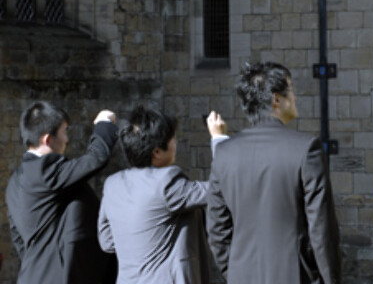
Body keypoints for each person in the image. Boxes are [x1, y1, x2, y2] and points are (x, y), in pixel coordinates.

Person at [206, 61, 341, 284]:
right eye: (292, 90)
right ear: (276, 99)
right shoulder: (306, 149)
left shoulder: (224, 154)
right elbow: (321, 230)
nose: (295, 98)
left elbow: (217, 231)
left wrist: (235, 272)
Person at [97, 105, 227, 283]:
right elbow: (222, 188)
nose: (176, 143)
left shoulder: (112, 184)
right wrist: (219, 138)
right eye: (173, 139)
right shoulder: (167, 183)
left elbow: (107, 242)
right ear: (157, 152)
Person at [5, 101, 118, 284]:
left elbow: (19, 239)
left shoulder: (14, 183)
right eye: (65, 132)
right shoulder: (44, 170)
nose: (67, 140)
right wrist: (104, 123)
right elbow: (95, 159)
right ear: (47, 139)